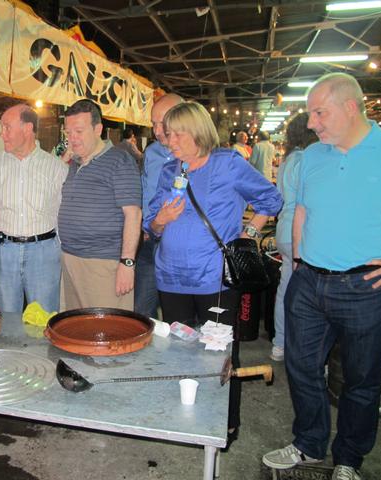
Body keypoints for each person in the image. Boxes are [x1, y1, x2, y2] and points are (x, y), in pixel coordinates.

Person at [262, 73, 381, 480]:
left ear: (350, 107)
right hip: (309, 282)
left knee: (361, 380)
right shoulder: (313, 156)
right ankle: (309, 443)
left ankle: (348, 459)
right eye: (310, 114)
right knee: (301, 368)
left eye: (320, 113)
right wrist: (299, 263)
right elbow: (301, 211)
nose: (312, 123)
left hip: (366, 287)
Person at [144, 101, 282, 442]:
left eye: (178, 134)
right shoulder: (169, 170)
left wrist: (248, 234)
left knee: (218, 355)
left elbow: (271, 199)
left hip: (213, 280)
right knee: (179, 351)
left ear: (198, 132)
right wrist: (161, 219)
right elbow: (151, 226)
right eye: (168, 134)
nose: (170, 141)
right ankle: (186, 420)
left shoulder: (228, 164)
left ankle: (224, 424)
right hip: (171, 278)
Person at [58, 99, 142, 310]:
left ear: (98, 129)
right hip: (70, 258)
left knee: (106, 325)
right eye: (68, 132)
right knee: (75, 324)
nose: (72, 138)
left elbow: (133, 214)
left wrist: (127, 263)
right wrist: (64, 161)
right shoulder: (73, 163)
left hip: (103, 263)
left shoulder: (120, 160)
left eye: (78, 131)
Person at [0, 104, 68, 313]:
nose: (1, 134)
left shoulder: (56, 167)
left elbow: (62, 213)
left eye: (7, 127)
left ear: (27, 128)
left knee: (43, 318)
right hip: (3, 251)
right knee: (7, 319)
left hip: (43, 252)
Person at [270, 113, 318, 362]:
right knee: (307, 296)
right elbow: (309, 201)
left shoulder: (288, 159)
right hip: (301, 233)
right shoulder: (306, 159)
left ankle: (279, 345)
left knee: (285, 289)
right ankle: (302, 351)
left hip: (284, 230)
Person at [134, 93, 183, 318]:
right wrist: (143, 225)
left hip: (181, 246)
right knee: (141, 311)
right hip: (150, 242)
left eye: (161, 123)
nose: (156, 130)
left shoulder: (198, 154)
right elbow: (144, 190)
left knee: (179, 316)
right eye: (153, 124)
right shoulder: (152, 153)